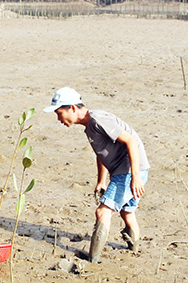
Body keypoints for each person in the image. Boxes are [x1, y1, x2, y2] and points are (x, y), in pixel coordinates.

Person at [44, 87, 150, 263]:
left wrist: (136, 176)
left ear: (72, 108)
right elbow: (101, 154)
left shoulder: (98, 120)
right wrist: (101, 181)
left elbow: (131, 140)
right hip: (125, 170)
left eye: (59, 113)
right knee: (127, 212)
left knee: (102, 211)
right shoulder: (89, 127)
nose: (58, 119)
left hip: (129, 170)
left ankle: (92, 259)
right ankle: (134, 249)